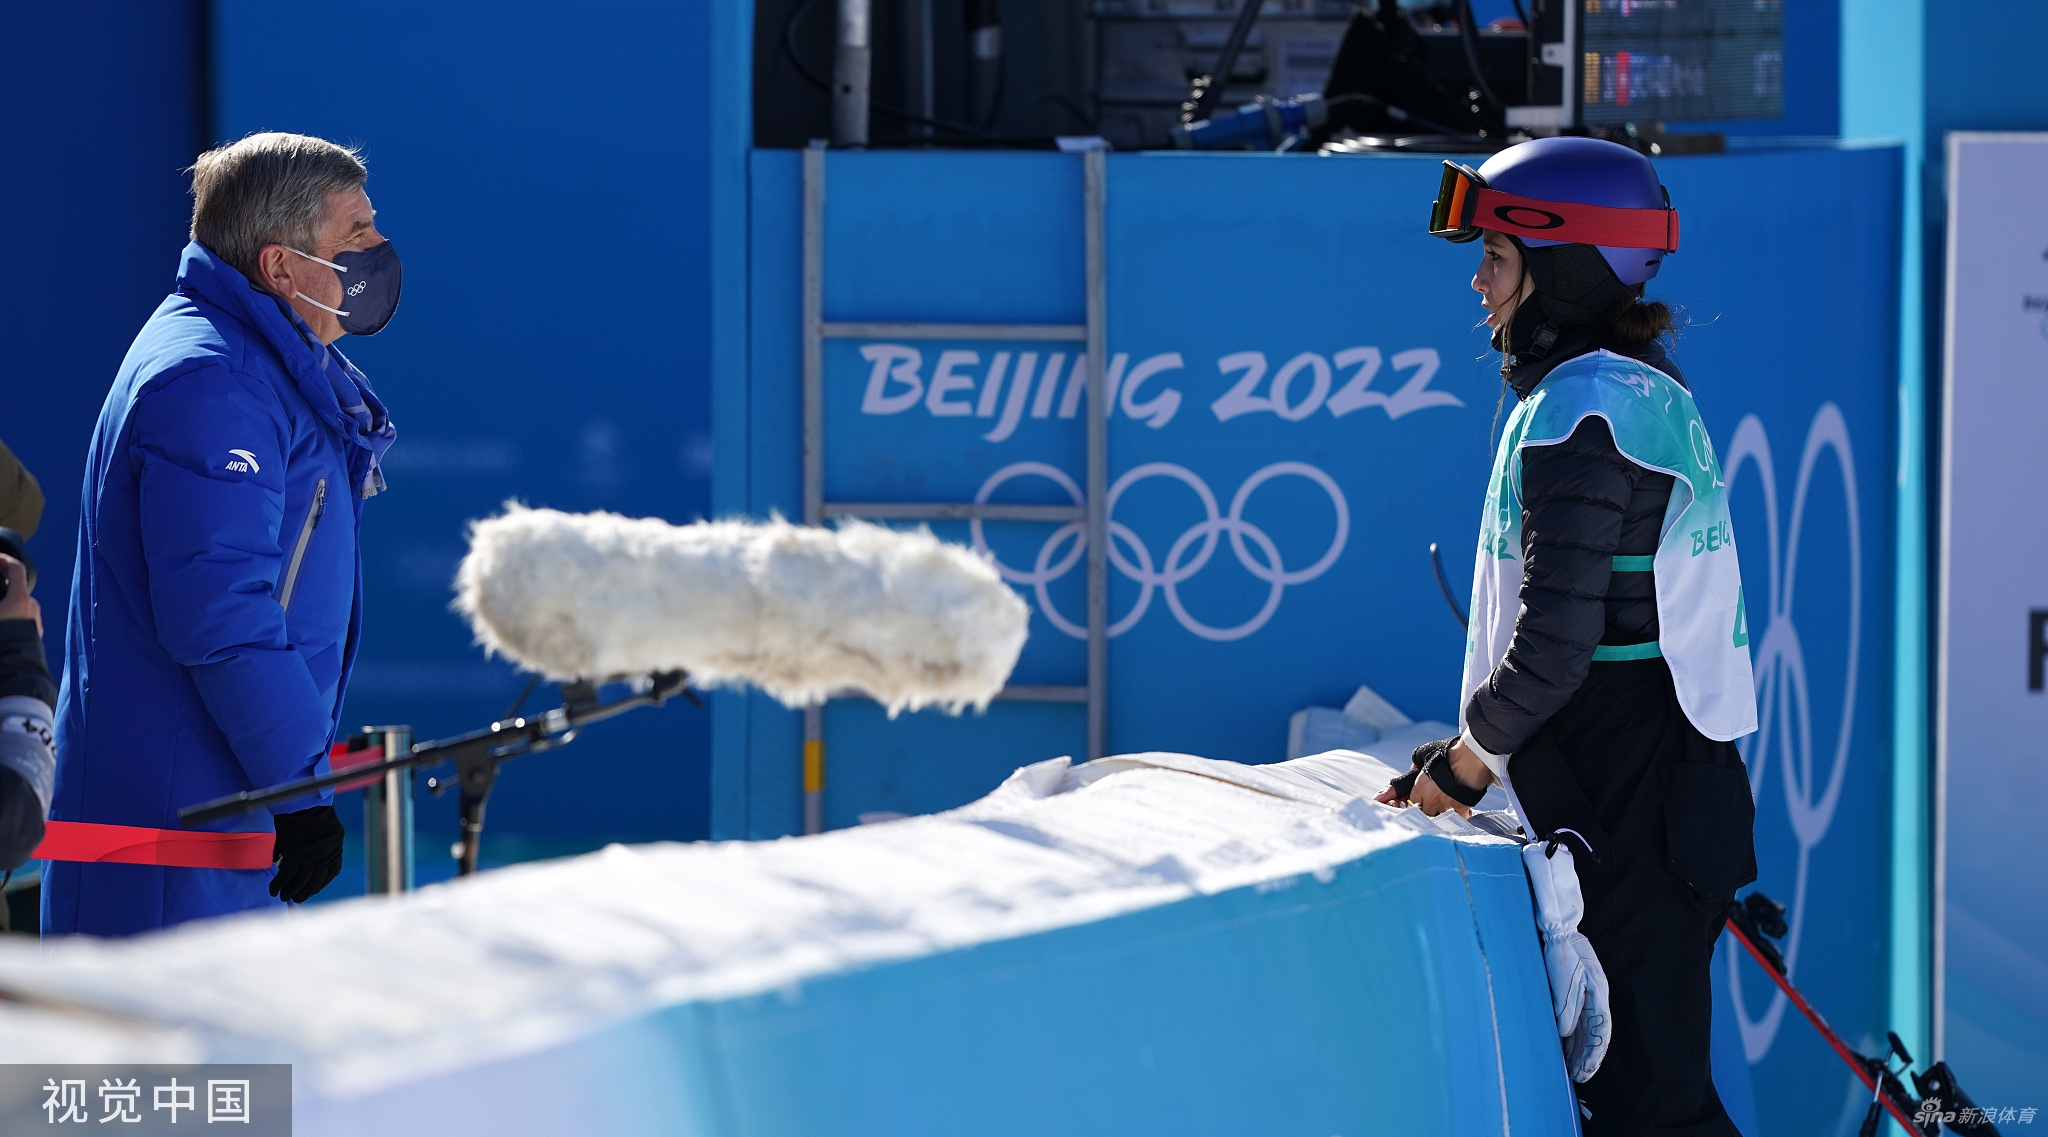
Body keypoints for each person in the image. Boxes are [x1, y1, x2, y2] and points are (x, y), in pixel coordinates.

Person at [1379, 137, 1758, 1134]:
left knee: (1650, 1110)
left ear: (1566, 266)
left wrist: (1465, 765)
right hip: (1653, 790)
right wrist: (1482, 753)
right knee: (1644, 1098)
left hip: (1629, 799)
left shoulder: (1580, 414)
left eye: (1495, 258)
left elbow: (1553, 648)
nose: (1475, 282)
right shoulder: (1623, 393)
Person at [43, 133, 402, 936]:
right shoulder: (212, 380)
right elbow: (221, 612)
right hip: (172, 843)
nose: (378, 253)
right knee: (162, 1069)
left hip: (214, 823)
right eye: (354, 237)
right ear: (279, 267)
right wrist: (300, 792)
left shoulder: (261, 364)